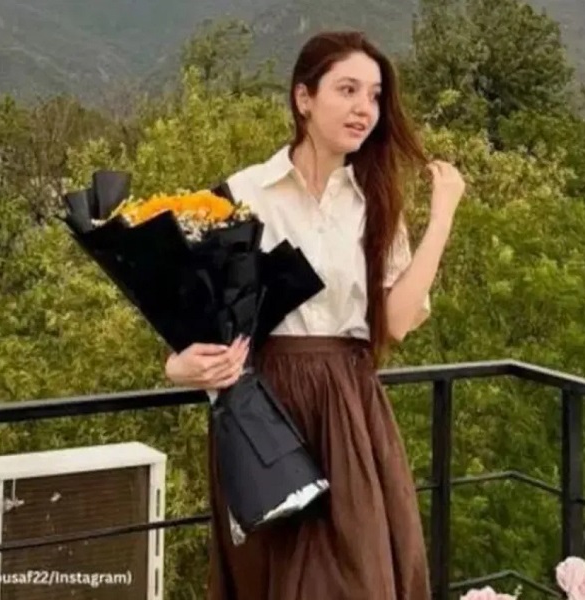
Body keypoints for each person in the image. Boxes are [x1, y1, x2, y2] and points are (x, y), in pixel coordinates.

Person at [163, 30, 465, 600]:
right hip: (262, 412)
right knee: (268, 577)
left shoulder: (375, 202)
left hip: (348, 408)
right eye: (347, 90)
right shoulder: (243, 194)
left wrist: (443, 217)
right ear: (304, 98)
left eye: (374, 96)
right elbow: (194, 315)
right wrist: (179, 366)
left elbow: (396, 322)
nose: (364, 109)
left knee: (358, 575)